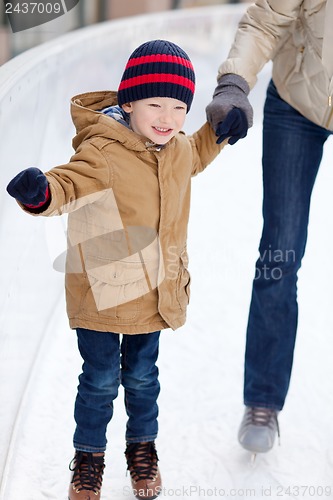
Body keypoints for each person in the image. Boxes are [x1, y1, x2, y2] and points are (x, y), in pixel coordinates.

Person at [6, 40, 231, 499]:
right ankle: (88, 459)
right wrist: (40, 193)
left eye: (178, 106)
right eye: (155, 104)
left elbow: (198, 154)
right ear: (127, 101)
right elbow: (69, 183)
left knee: (143, 378)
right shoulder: (103, 150)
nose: (167, 117)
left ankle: (141, 452)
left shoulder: (178, 148)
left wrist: (222, 129)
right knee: (100, 380)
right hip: (102, 294)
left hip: (154, 292)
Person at [206, 0, 333, 455]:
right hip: (296, 101)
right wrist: (235, 82)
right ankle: (262, 400)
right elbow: (265, 19)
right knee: (280, 252)